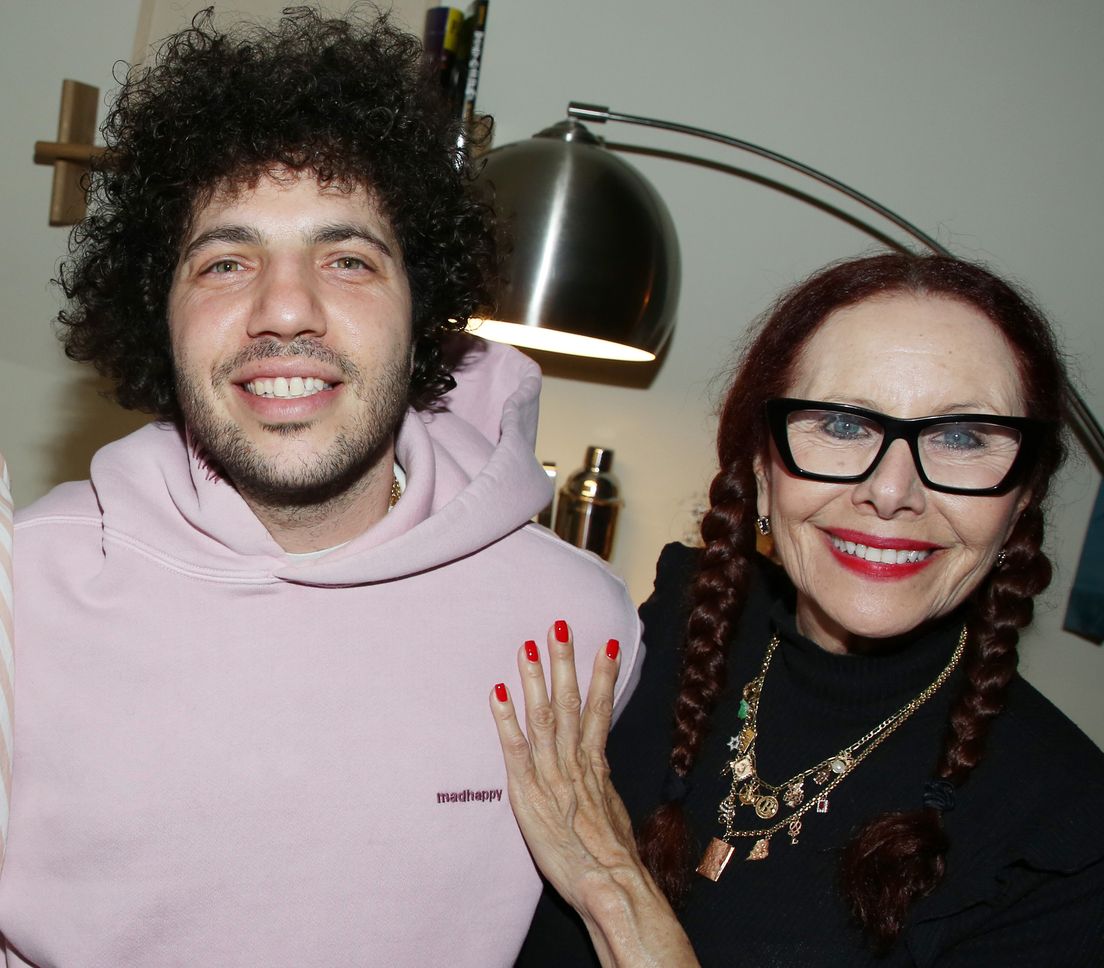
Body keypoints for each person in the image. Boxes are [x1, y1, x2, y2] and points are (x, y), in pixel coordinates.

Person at [0, 9, 642, 966]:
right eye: (226, 261)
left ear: (424, 308)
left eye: (347, 259)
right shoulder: (26, 590)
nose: (286, 307)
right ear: (159, 315)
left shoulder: (573, 629)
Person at [494, 253, 1104, 966]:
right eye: (840, 425)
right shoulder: (678, 621)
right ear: (761, 471)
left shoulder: (1079, 859)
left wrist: (614, 890)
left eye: (961, 438)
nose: (891, 491)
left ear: (1022, 501)